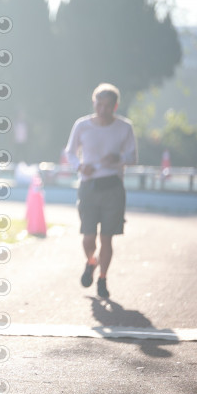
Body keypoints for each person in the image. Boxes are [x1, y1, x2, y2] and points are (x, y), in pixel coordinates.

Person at [64, 83, 137, 299]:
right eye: (99, 105)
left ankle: (103, 278)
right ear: (94, 103)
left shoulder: (124, 127)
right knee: (88, 236)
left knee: (107, 238)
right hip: (89, 186)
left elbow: (132, 157)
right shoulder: (82, 125)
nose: (103, 110)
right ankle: (91, 261)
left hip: (113, 187)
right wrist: (79, 166)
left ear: (115, 106)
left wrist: (118, 158)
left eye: (108, 106)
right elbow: (70, 153)